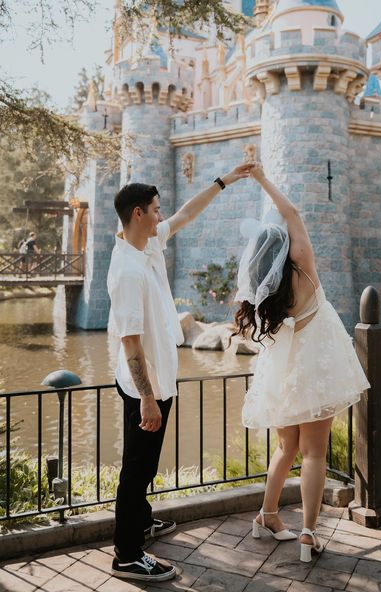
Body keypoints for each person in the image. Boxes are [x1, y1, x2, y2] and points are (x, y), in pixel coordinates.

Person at [107, 165, 252, 583]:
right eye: (155, 209)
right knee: (137, 470)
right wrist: (148, 398)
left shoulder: (146, 247)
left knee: (145, 467)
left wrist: (225, 181)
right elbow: (131, 344)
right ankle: (128, 555)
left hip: (159, 381)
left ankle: (142, 524)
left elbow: (187, 215)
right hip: (144, 388)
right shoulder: (128, 271)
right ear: (139, 214)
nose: (161, 214)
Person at [233, 162, 370, 563]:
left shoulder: (266, 297)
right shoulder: (305, 269)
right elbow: (293, 213)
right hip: (315, 370)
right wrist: (261, 178)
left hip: (283, 372)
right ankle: (308, 534)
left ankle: (267, 516)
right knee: (314, 453)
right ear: (286, 250)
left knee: (285, 449)